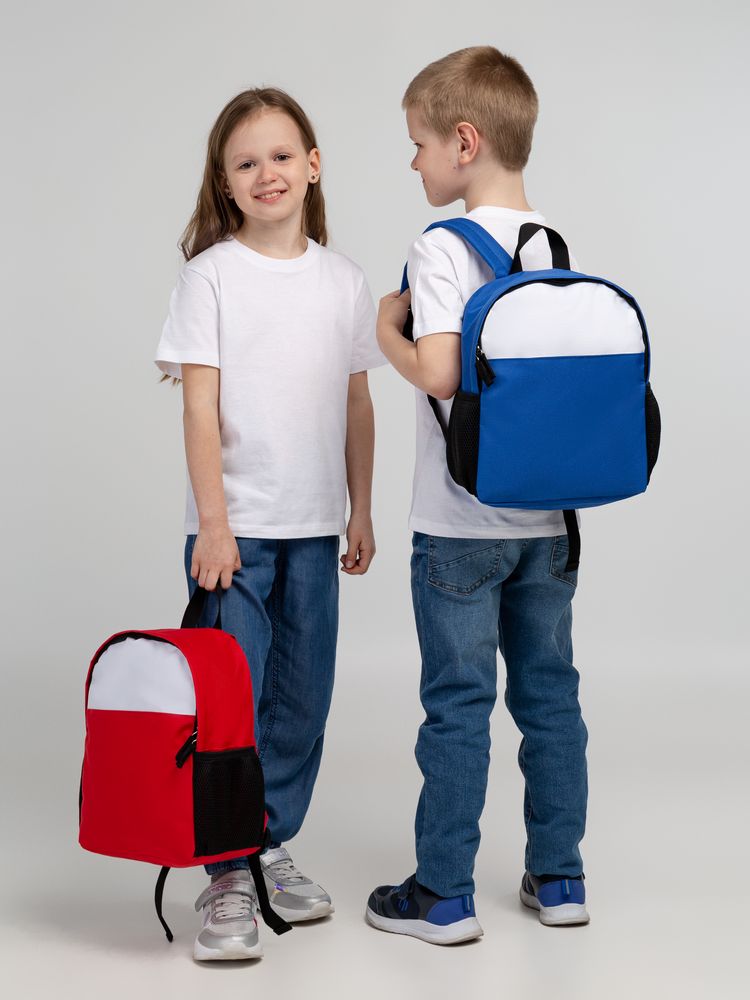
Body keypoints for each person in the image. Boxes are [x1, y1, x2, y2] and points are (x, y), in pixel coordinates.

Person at [366, 46, 590, 945]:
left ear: (465, 143)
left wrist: (386, 329)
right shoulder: (553, 243)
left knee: (458, 705)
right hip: (550, 523)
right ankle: (560, 877)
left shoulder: (440, 247)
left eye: (418, 143)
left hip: (459, 525)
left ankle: (444, 894)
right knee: (551, 699)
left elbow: (441, 372)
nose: (413, 160)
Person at [155, 87, 384, 961]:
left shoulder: (344, 281)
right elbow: (198, 409)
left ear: (313, 166)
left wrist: (360, 508)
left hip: (315, 528)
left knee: (300, 698)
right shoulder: (210, 276)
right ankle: (224, 873)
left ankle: (265, 843)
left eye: (282, 156)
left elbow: (357, 404)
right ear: (225, 182)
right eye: (245, 162)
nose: (266, 173)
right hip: (236, 532)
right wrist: (214, 524)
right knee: (230, 702)